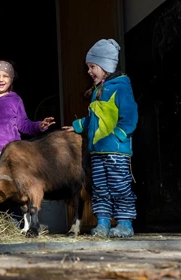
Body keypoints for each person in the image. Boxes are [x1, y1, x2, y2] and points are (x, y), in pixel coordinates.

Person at [62, 39, 138, 238]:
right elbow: (94, 119)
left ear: (105, 66)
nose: (89, 71)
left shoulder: (121, 87)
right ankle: (102, 223)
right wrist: (78, 126)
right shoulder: (98, 90)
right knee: (100, 188)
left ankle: (125, 224)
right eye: (88, 67)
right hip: (97, 152)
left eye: (92, 67)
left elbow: (130, 116)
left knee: (120, 186)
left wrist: (119, 136)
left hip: (116, 152)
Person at [0, 60, 55, 222]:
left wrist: (40, 126)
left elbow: (24, 125)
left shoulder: (15, 100)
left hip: (11, 156)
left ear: (11, 79)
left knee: (13, 190)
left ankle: (15, 222)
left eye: (5, 76)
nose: (1, 79)